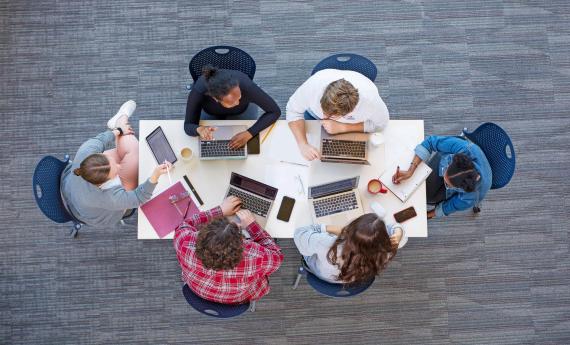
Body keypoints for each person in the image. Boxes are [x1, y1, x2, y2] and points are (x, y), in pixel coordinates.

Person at [61, 100, 172, 227]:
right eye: (115, 174)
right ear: (103, 184)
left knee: (131, 155)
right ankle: (120, 119)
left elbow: (102, 139)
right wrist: (155, 176)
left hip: (70, 187)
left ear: (97, 155)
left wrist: (119, 130)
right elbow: (139, 198)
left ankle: (119, 123)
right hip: (96, 214)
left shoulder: (86, 151)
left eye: (113, 163)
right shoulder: (108, 196)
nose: (119, 166)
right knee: (133, 154)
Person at [174, 196, 283, 304]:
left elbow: (184, 225)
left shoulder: (185, 242)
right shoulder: (255, 257)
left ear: (202, 233)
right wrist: (252, 225)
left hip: (198, 291)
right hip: (237, 298)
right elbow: (277, 256)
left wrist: (220, 210)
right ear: (243, 243)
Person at [286, 69, 390, 161]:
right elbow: (292, 110)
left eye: (331, 116)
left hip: (351, 129)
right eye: (323, 111)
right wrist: (303, 144)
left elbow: (381, 124)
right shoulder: (314, 85)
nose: (324, 118)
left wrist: (344, 127)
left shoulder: (370, 101)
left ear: (350, 111)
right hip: (314, 119)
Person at [392, 135, 492, 219]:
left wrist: (425, 216)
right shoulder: (465, 148)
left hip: (469, 188)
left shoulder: (472, 196)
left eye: (447, 184)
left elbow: (451, 206)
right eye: (446, 170)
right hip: (454, 161)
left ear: (460, 188)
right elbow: (431, 142)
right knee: (423, 186)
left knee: (427, 197)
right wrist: (411, 171)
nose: (442, 176)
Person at [184, 65, 281, 149]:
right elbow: (188, 125)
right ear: (215, 98)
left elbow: (275, 111)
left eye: (239, 97)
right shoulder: (199, 90)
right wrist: (199, 129)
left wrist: (249, 133)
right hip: (211, 112)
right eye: (232, 102)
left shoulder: (246, 84)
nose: (238, 103)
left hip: (242, 112)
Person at [293, 213, 404, 285]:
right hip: (352, 279)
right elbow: (395, 226)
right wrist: (398, 234)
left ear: (350, 229)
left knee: (307, 250)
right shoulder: (385, 251)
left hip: (321, 274)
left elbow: (299, 234)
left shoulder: (327, 244)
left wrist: (336, 229)